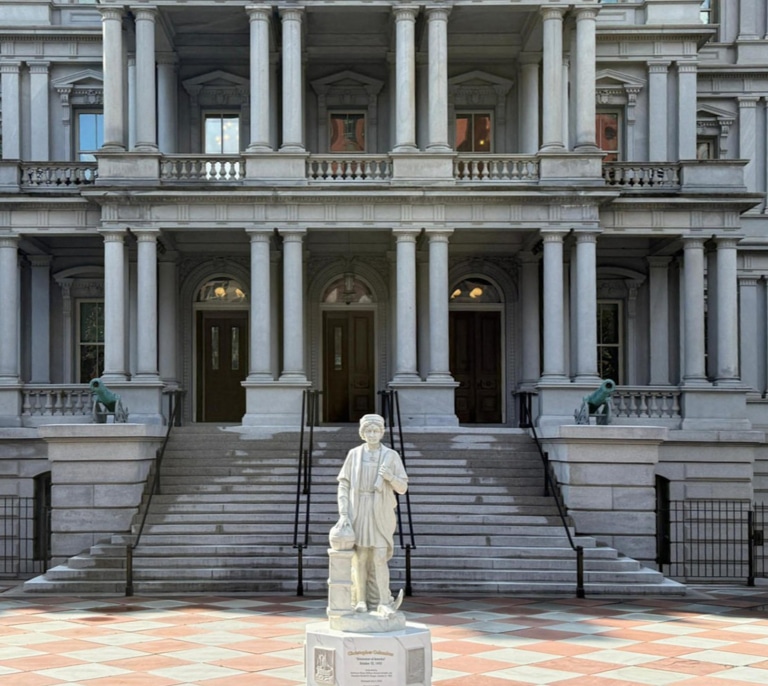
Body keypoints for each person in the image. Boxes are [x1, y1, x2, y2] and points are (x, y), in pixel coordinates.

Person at [336, 414, 408, 616]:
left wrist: (389, 477)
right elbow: (344, 483)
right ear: (362, 433)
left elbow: (402, 488)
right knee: (360, 557)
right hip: (359, 509)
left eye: (376, 430)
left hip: (381, 511)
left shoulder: (391, 456)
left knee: (379, 556)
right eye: (368, 430)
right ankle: (360, 600)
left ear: (382, 432)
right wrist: (343, 512)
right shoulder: (354, 454)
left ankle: (383, 601)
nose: (372, 434)